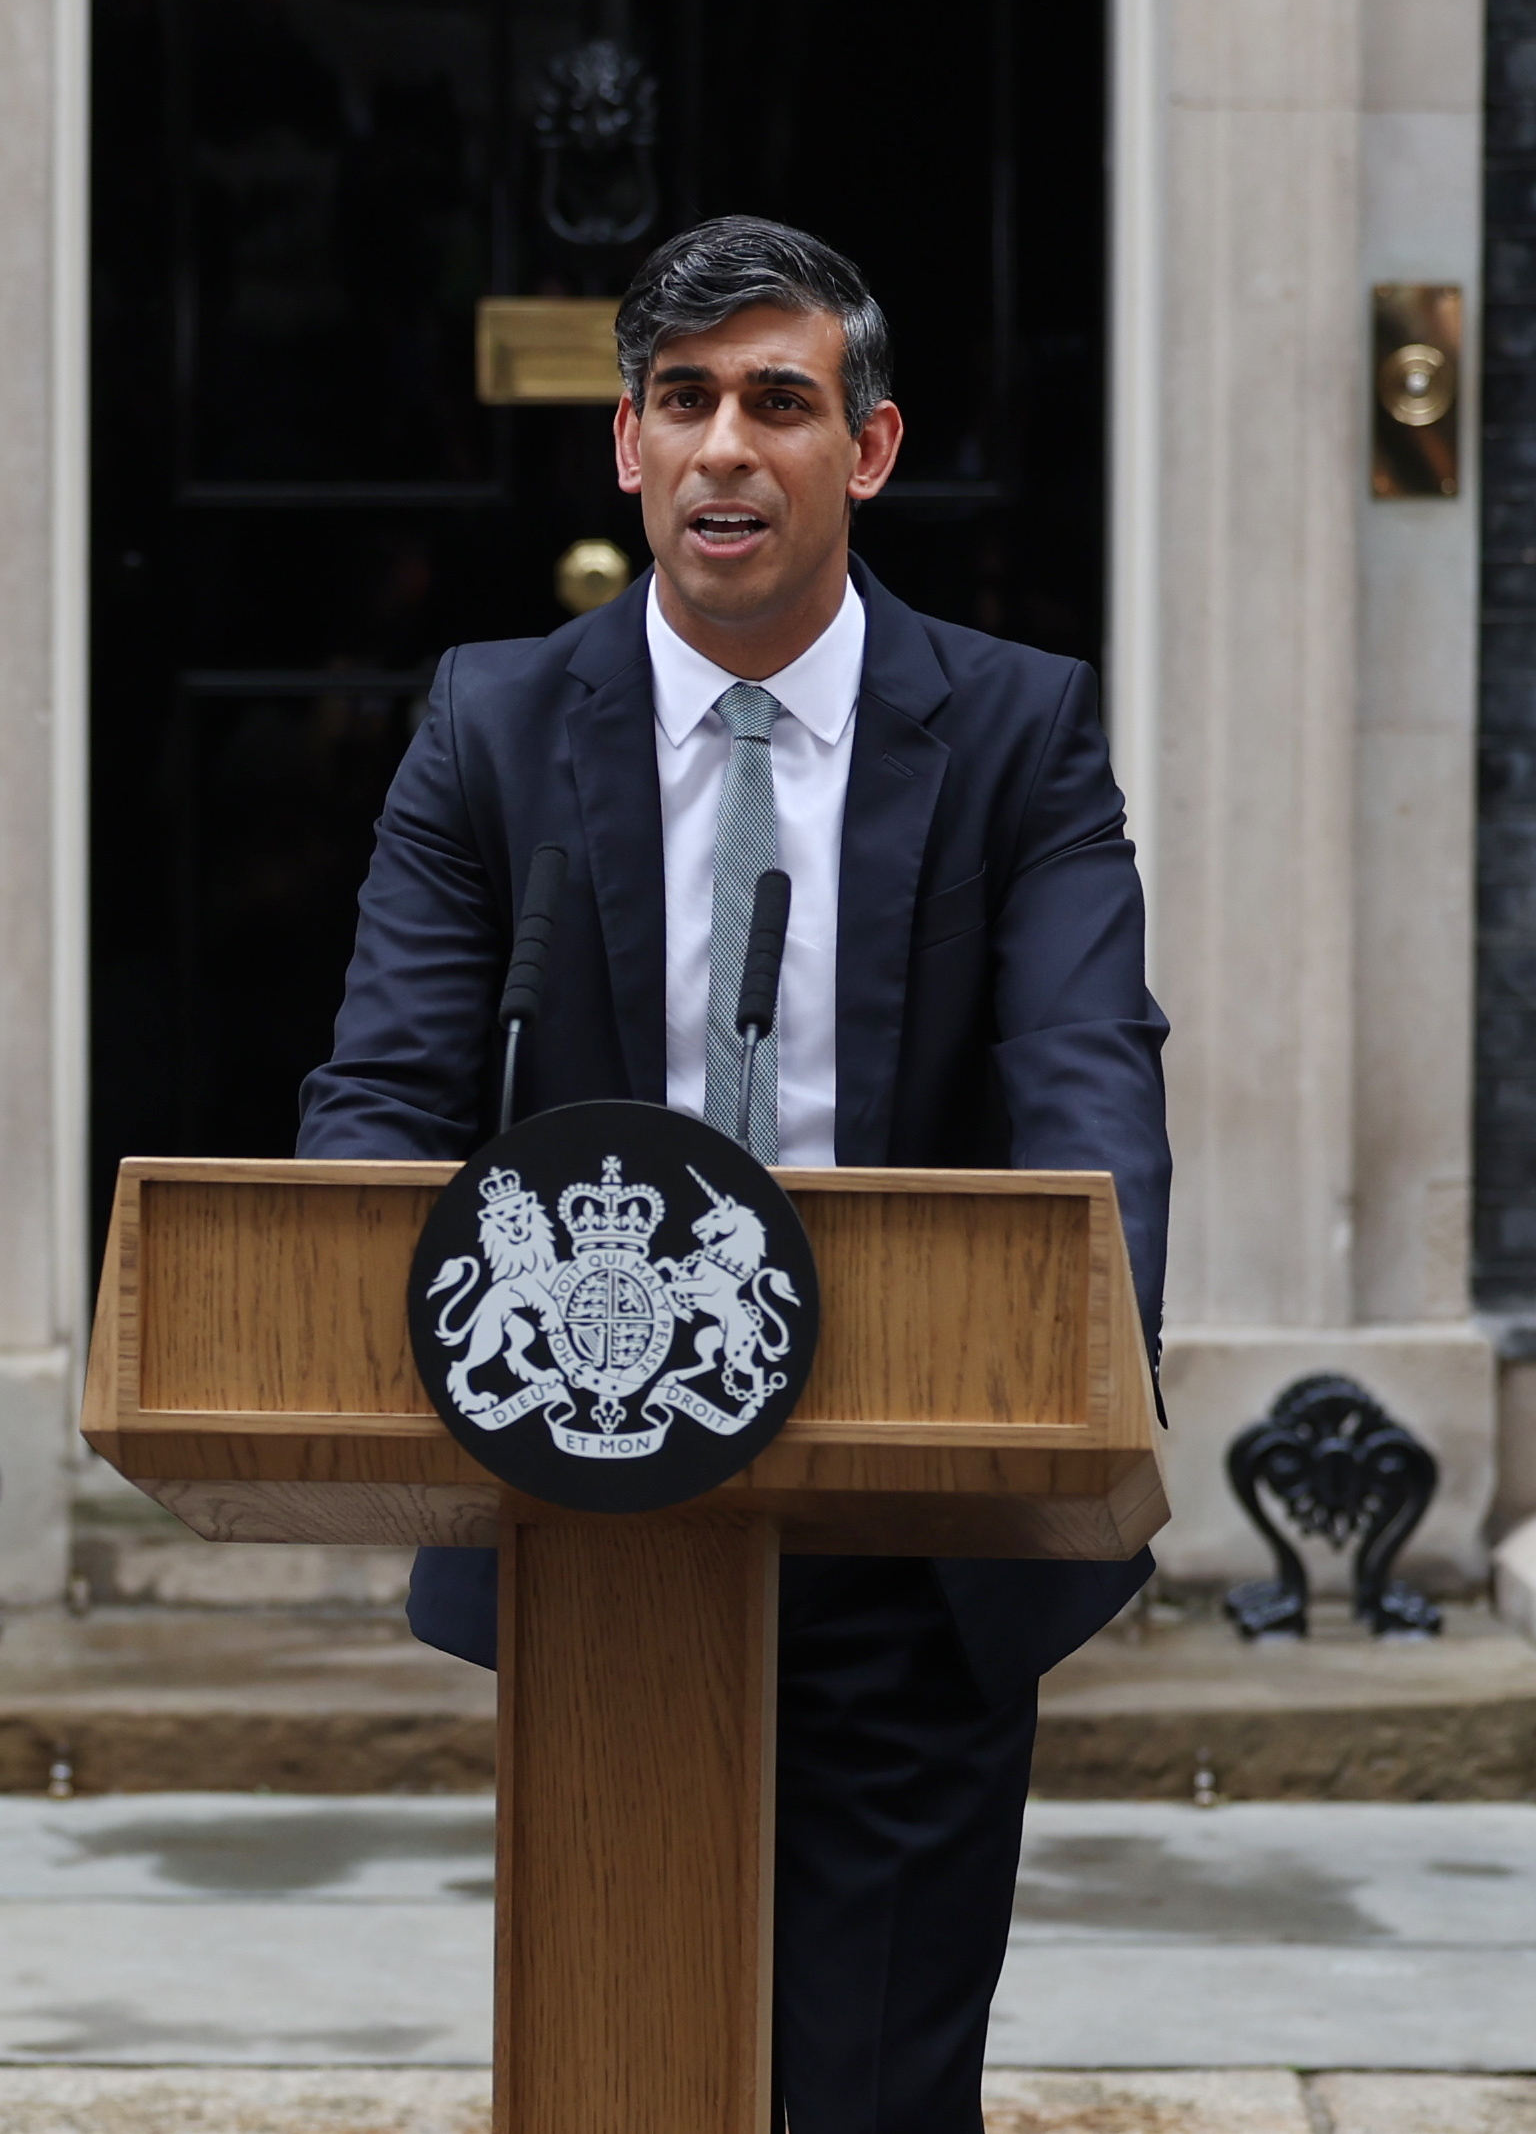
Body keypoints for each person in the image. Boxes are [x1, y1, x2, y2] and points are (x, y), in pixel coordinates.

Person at [297, 214, 1172, 2134]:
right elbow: (382, 1097)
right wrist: (344, 1327)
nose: (722, 449)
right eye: (680, 403)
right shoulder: (494, 729)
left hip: (908, 1505)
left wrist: (1080, 1381)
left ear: (865, 449)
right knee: (616, 2074)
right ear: (622, 445)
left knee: (869, 2094)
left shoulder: (1018, 734)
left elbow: (1087, 1090)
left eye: (778, 403)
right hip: (588, 1508)